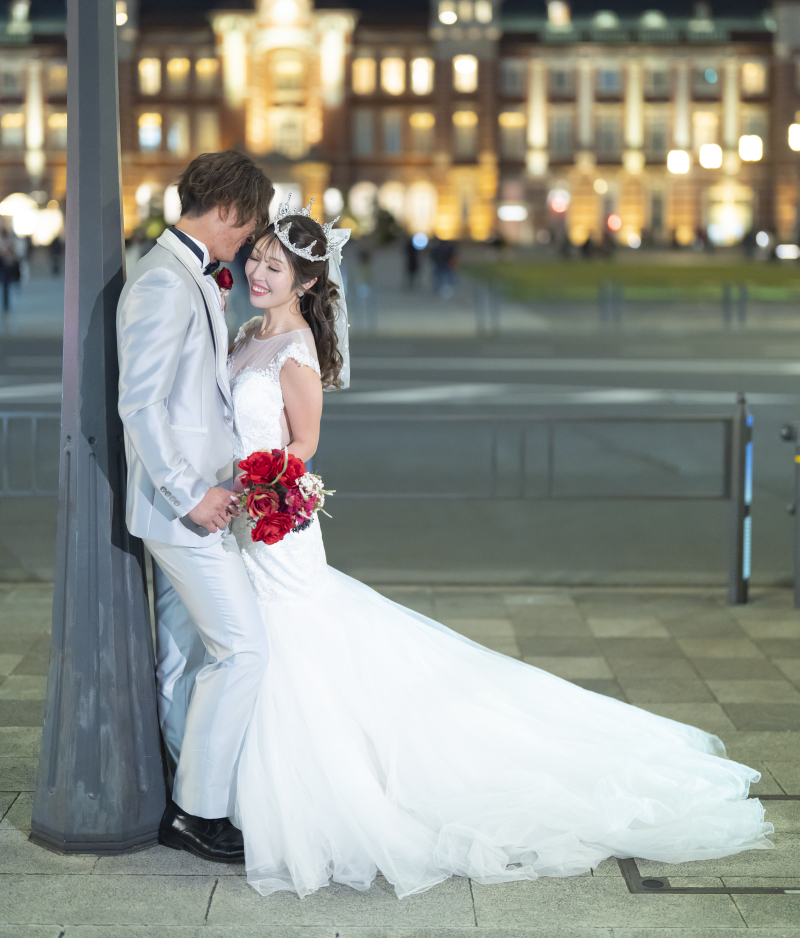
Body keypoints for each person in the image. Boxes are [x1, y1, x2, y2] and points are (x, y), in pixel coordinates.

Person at [226, 201, 773, 900]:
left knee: (290, 644)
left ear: (304, 283)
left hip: (274, 520)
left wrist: (268, 490)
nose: (258, 272)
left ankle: (293, 794)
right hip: (245, 515)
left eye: (274, 266)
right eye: (257, 259)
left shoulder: (296, 349)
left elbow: (304, 443)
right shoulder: (247, 333)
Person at [116, 149, 273, 864]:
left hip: (196, 502)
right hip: (181, 511)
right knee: (243, 648)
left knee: (184, 662)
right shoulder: (164, 284)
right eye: (248, 228)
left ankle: (188, 791)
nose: (247, 244)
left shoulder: (186, 275)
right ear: (229, 212)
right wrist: (192, 494)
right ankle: (199, 813)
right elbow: (140, 405)